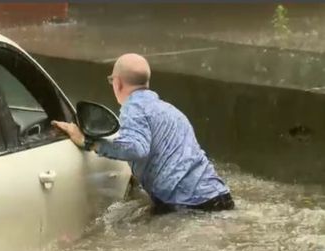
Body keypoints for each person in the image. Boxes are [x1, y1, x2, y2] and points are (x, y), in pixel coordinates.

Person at [52, 53, 234, 214]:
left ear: (118, 82)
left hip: (188, 206)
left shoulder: (133, 108)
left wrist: (87, 142)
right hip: (219, 197)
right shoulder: (171, 112)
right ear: (146, 82)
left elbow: (136, 148)